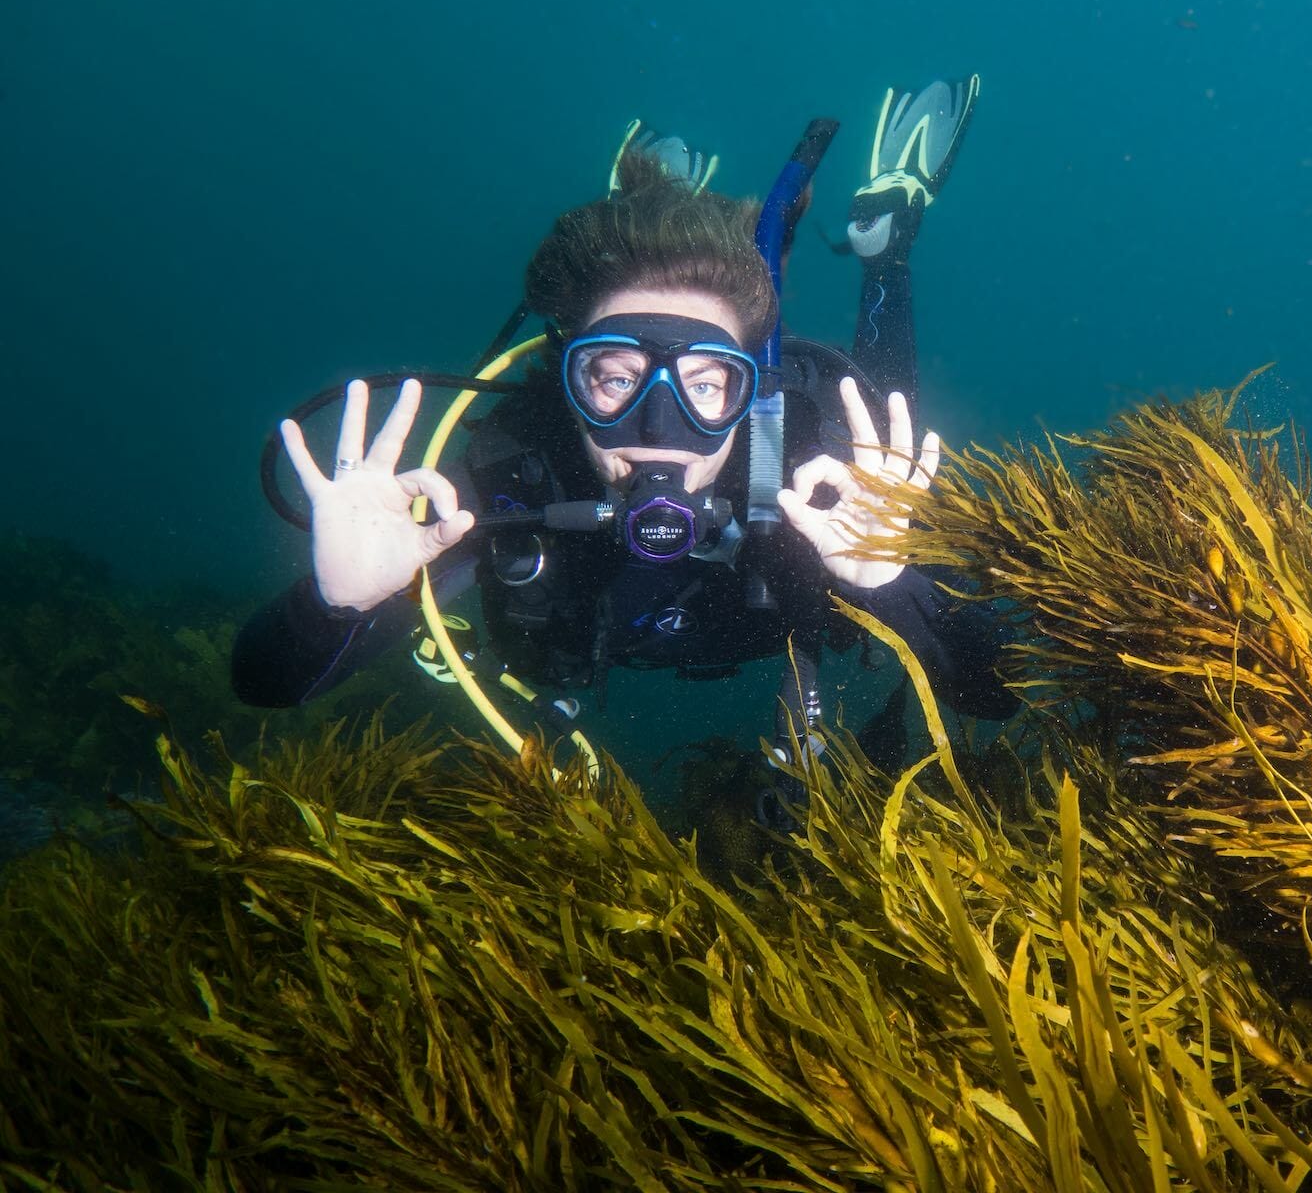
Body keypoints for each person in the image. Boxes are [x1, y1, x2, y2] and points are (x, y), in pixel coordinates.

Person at [232, 79, 1014, 799]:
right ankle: (636, 228)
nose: (658, 428)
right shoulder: (510, 485)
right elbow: (262, 684)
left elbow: (998, 698)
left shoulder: (809, 480)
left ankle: (886, 251)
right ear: (566, 382)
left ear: (750, 392)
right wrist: (331, 609)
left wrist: (890, 583)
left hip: (813, 463)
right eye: (613, 376)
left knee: (885, 434)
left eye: (706, 385)